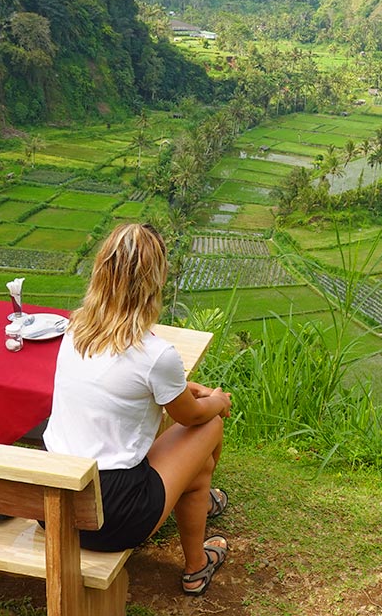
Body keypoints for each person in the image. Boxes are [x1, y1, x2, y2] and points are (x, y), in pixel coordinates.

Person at [43, 222, 232, 596]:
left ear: (101, 271)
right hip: (111, 513)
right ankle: (196, 565)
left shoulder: (75, 327)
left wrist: (183, 390)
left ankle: (198, 534)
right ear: (153, 282)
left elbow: (121, 386)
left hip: (52, 502)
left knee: (198, 470)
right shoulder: (155, 354)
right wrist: (218, 401)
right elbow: (191, 416)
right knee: (208, 427)